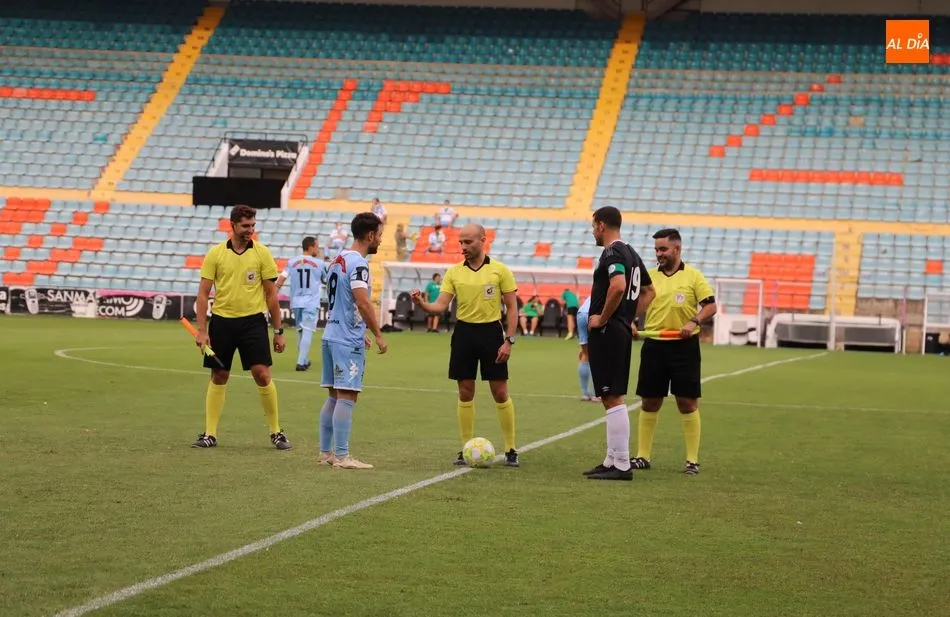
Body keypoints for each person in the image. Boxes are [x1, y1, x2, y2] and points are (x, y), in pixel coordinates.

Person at [411, 223, 521, 467]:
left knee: (500, 392)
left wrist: (509, 341)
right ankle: (466, 447)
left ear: (483, 240)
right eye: (461, 242)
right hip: (464, 333)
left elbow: (512, 308)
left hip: (492, 333)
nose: (463, 247)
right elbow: (440, 306)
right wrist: (422, 304)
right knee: (464, 391)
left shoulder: (500, 270)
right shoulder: (454, 273)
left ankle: (511, 448)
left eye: (468, 242)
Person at [191, 205, 291, 450]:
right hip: (222, 322)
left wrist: (278, 332)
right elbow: (203, 294)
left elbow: (271, 295)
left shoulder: (262, 253)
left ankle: (276, 432)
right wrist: (202, 330)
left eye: (253, 226)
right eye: (246, 226)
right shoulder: (215, 254)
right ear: (232, 225)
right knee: (219, 375)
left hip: (253, 322)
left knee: (262, 374)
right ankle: (209, 434)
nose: (250, 230)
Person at [633, 228, 717, 476]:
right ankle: (643, 456)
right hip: (654, 345)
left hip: (684, 347)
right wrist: (630, 320)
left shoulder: (693, 276)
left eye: (663, 249)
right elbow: (636, 305)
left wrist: (693, 322)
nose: (658, 254)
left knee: (687, 402)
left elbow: (710, 306)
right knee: (650, 401)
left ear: (677, 249)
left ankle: (692, 460)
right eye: (657, 249)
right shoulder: (649, 276)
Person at [582, 206, 655, 481]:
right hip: (619, 328)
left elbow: (618, 286)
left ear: (601, 225)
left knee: (612, 395)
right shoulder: (632, 252)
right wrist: (627, 317)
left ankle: (622, 464)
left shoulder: (612, 252)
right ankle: (612, 458)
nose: (593, 232)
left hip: (608, 332)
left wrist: (603, 318)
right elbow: (649, 291)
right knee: (609, 394)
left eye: (593, 226)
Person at [318, 212, 388, 470]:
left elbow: (342, 301)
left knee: (334, 396)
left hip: (331, 335)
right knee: (347, 395)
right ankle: (342, 456)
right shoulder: (359, 263)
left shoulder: (337, 260)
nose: (380, 241)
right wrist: (378, 333)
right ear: (370, 235)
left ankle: (326, 452)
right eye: (379, 236)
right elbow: (361, 300)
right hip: (346, 340)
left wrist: (361, 330)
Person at [276, 236, 324, 371]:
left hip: (296, 302)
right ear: (311, 247)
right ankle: (301, 362)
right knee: (307, 331)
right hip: (310, 302)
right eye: (317, 246)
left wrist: (273, 292)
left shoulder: (292, 262)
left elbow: (281, 278)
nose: (318, 249)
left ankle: (305, 359)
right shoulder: (319, 264)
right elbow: (326, 280)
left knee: (300, 332)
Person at [575, 295, 598, 402]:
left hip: (581, 314)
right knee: (600, 356)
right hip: (595, 315)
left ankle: (585, 393)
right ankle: (596, 394)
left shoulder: (599, 284)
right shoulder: (616, 284)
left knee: (586, 355)